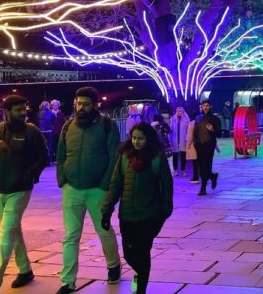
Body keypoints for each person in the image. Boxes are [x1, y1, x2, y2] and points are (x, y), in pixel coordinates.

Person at [0, 95, 50, 294]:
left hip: (20, 189)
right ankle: (26, 270)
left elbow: (44, 157)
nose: (23, 113)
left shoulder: (32, 131)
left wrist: (28, 174)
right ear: (7, 111)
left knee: (5, 234)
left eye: (24, 110)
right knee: (13, 230)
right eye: (18, 110)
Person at [55, 87, 121, 294]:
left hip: (97, 190)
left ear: (95, 105)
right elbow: (61, 156)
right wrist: (62, 180)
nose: (81, 107)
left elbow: (114, 157)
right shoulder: (68, 127)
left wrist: (104, 185)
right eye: (78, 103)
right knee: (71, 236)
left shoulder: (107, 126)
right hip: (71, 189)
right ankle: (68, 281)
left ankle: (113, 265)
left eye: (86, 104)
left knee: (104, 231)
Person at [100, 123, 174, 294]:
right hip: (127, 215)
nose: (136, 142)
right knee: (128, 254)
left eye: (140, 138)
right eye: (134, 138)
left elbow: (166, 184)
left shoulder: (157, 158)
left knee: (142, 250)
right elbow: (115, 184)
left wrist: (166, 208)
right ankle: (141, 274)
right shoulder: (124, 157)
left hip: (150, 215)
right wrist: (106, 211)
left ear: (148, 139)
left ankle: (141, 288)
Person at [193, 100, 221, 196]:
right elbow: (195, 132)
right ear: (201, 107)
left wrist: (212, 129)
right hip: (199, 146)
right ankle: (213, 176)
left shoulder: (215, 119)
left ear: (210, 107)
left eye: (207, 105)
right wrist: (195, 143)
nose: (205, 107)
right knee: (201, 167)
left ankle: (203, 188)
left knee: (207, 166)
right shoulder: (198, 118)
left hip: (209, 145)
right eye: (203, 105)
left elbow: (219, 133)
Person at [170, 106, 190, 177]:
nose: (179, 112)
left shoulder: (186, 119)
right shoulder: (173, 119)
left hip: (183, 139)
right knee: (175, 156)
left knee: (183, 156)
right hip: (175, 140)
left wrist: (187, 138)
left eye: (180, 111)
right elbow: (171, 129)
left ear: (183, 111)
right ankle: (175, 170)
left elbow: (188, 130)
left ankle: (183, 170)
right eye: (177, 111)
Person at [50, 100, 65, 164]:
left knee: (59, 146)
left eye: (56, 105)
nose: (55, 106)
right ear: (52, 106)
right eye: (54, 105)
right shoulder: (50, 113)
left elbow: (63, 122)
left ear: (58, 106)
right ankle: (53, 159)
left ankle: (58, 159)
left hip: (59, 131)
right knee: (53, 146)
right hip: (52, 132)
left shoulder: (61, 113)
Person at [185, 117, 200, 183]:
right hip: (203, 144)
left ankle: (195, 177)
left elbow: (190, 136)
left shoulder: (192, 123)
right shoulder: (204, 121)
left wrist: (187, 146)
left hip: (194, 144)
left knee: (195, 162)